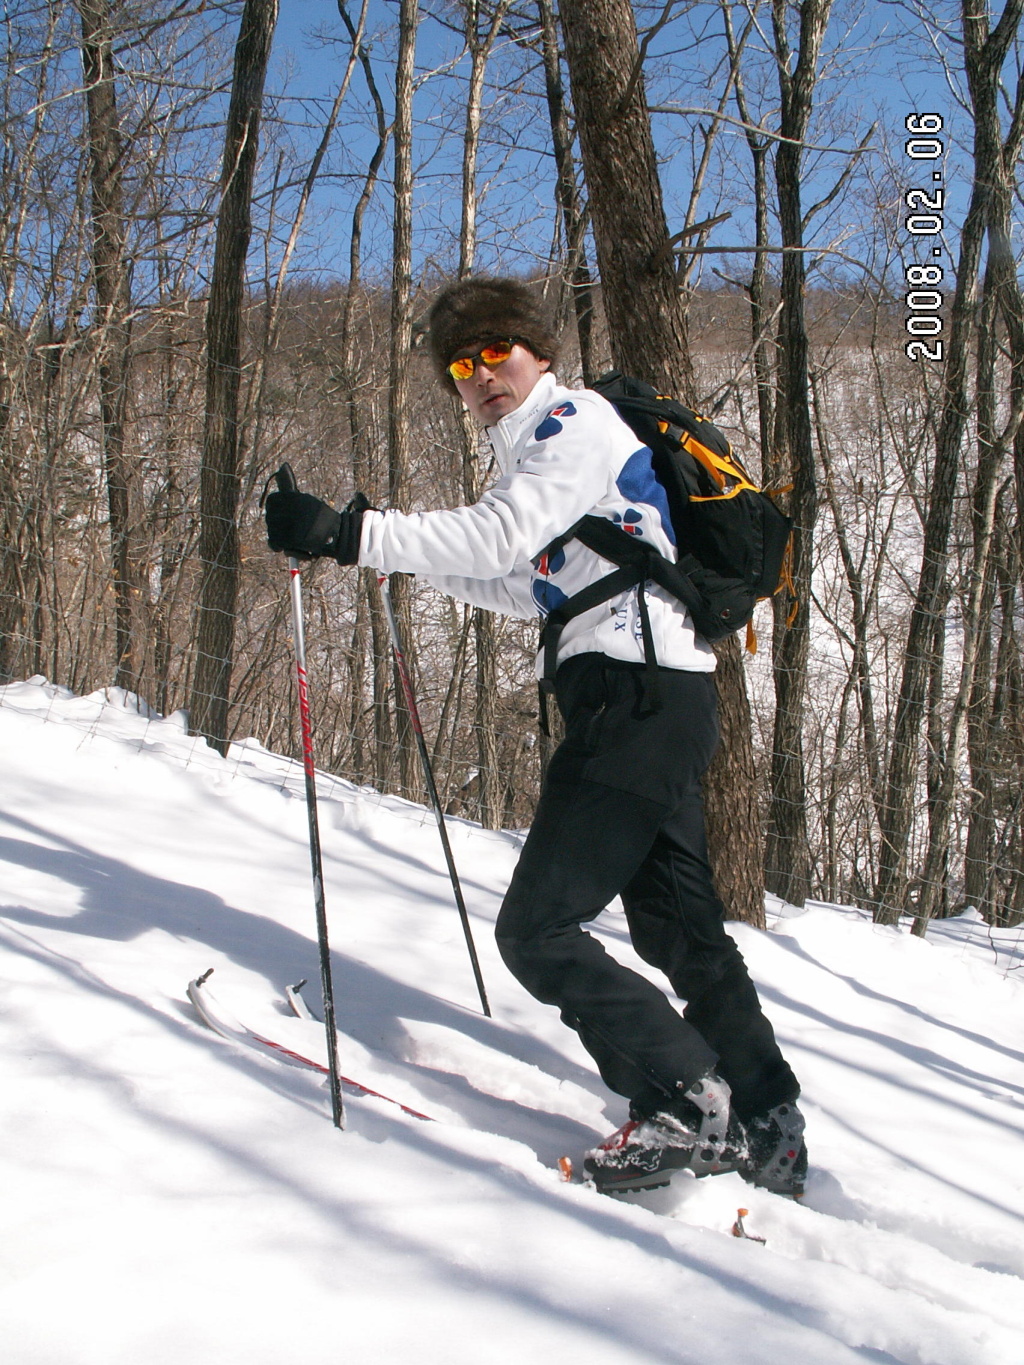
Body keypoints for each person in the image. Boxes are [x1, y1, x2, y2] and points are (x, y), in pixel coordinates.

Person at [265, 276, 806, 1196]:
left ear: (537, 353)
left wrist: (359, 532)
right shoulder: (542, 459)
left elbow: (499, 536)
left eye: (494, 354)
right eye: (461, 367)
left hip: (635, 697)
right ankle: (766, 1119)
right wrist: (380, 554)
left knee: (536, 927)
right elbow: (528, 584)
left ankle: (686, 1098)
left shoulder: (575, 425)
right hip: (656, 696)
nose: (480, 377)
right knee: (681, 930)